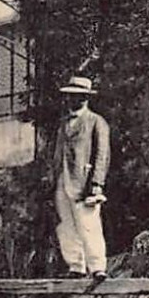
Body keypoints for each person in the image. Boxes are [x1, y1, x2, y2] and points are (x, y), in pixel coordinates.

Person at [51, 75, 111, 278]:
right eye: (69, 96)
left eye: (77, 97)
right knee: (66, 225)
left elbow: (102, 154)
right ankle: (76, 266)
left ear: (86, 98)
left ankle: (97, 267)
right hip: (63, 180)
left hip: (83, 181)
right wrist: (53, 177)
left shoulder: (96, 122)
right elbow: (57, 153)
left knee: (89, 225)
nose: (72, 101)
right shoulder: (63, 124)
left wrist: (97, 183)